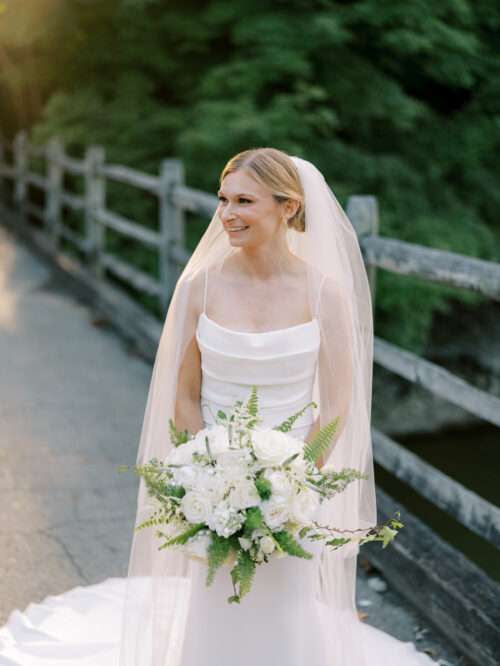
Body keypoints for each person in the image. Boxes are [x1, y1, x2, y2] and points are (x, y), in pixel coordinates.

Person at [0, 148, 437, 666]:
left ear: (288, 208)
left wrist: (293, 483)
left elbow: (340, 403)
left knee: (284, 610)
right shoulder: (198, 287)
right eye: (223, 199)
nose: (227, 214)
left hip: (295, 486)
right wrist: (203, 474)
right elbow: (183, 394)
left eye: (244, 201)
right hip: (213, 486)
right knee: (215, 606)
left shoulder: (326, 293)